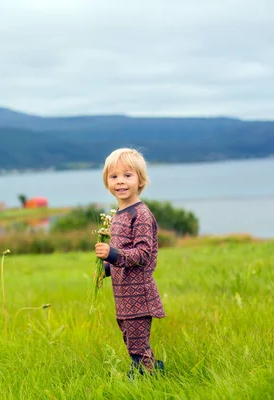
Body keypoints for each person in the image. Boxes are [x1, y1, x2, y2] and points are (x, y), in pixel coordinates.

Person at [94, 148, 166, 378]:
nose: (120, 182)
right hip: (123, 296)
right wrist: (104, 270)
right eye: (114, 176)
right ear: (107, 181)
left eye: (128, 175)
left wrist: (111, 254)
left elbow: (142, 254)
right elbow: (120, 256)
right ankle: (152, 370)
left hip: (139, 294)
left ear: (140, 180)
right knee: (130, 340)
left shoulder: (141, 215)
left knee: (137, 345)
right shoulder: (119, 215)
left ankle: (145, 378)